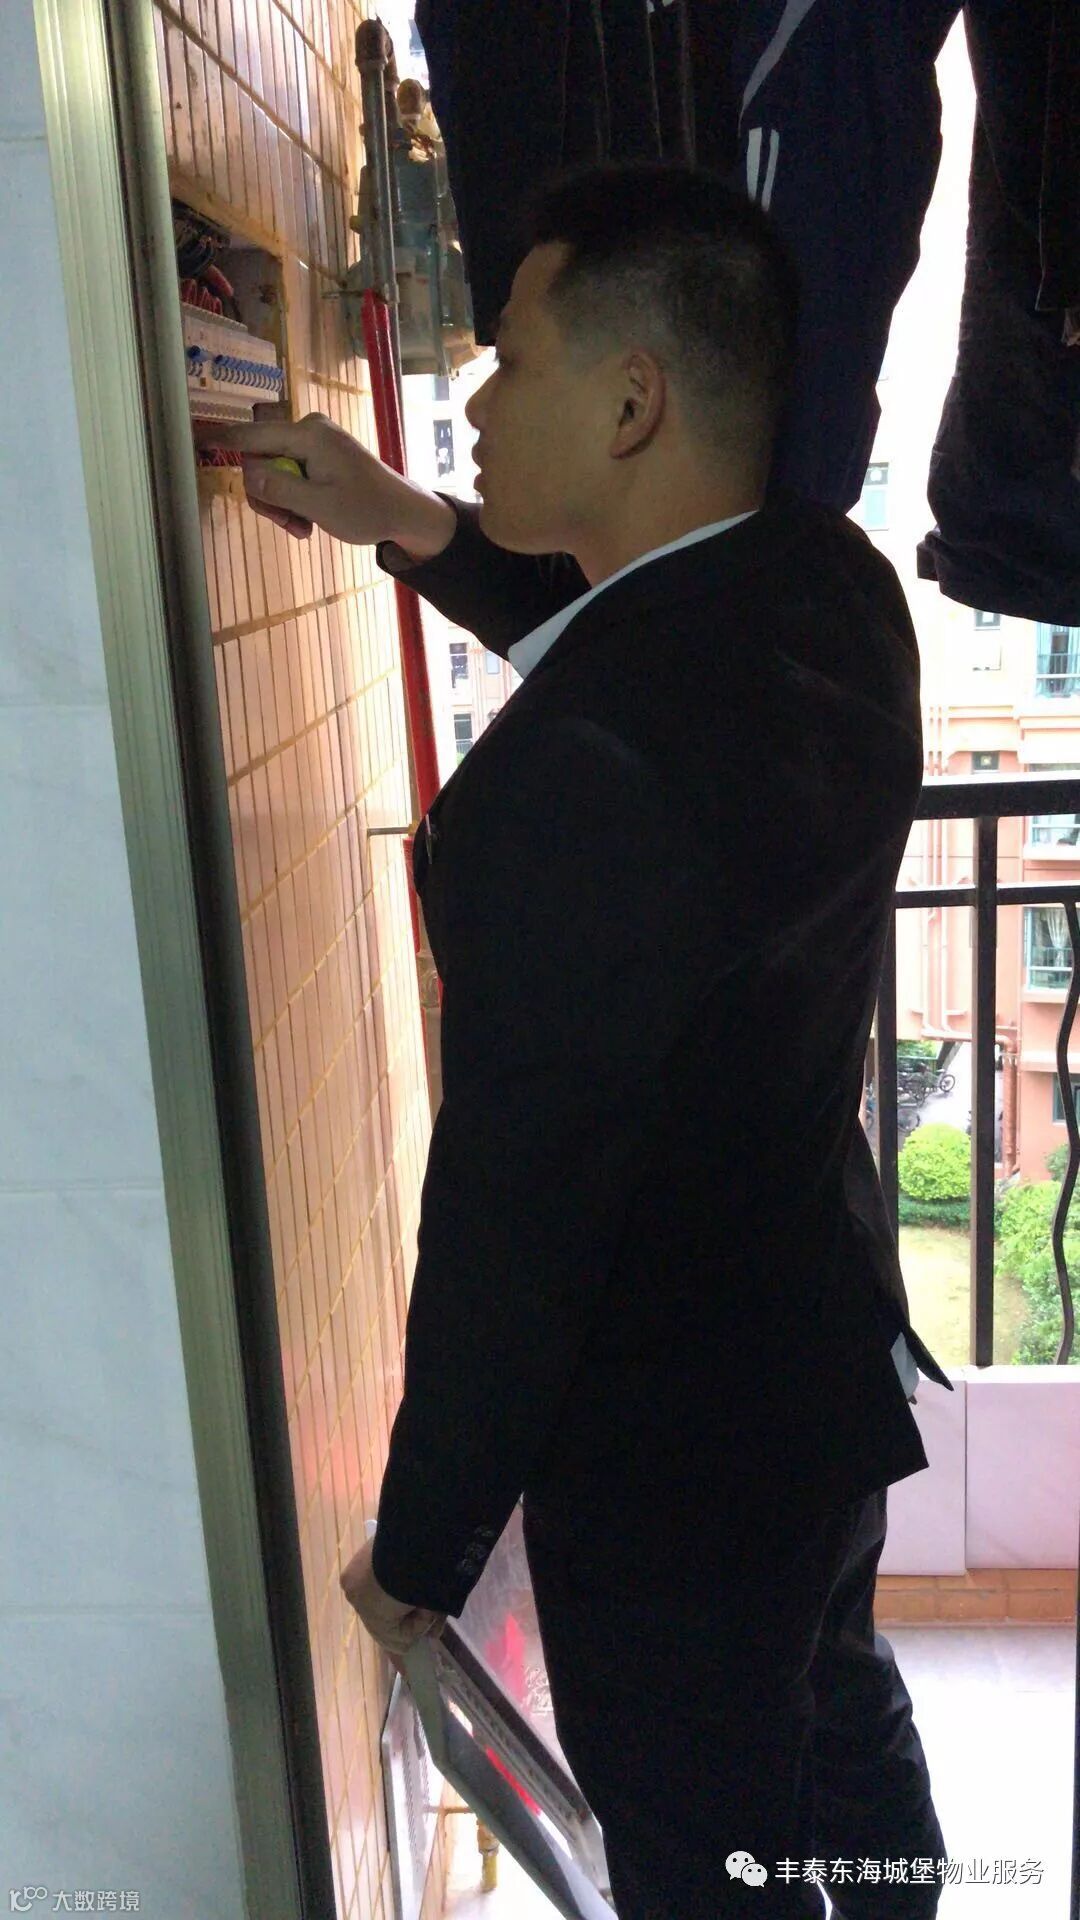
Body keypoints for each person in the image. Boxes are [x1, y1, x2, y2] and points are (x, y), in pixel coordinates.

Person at [199, 158, 950, 1919]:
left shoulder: (563, 786)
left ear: (632, 403)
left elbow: (516, 1208)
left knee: (707, 1858)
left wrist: (424, 1543)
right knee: (838, 1737)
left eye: (512, 360)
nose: (477, 400)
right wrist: (409, 525)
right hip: (821, 1367)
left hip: (671, 1466)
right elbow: (641, 660)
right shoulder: (830, 594)